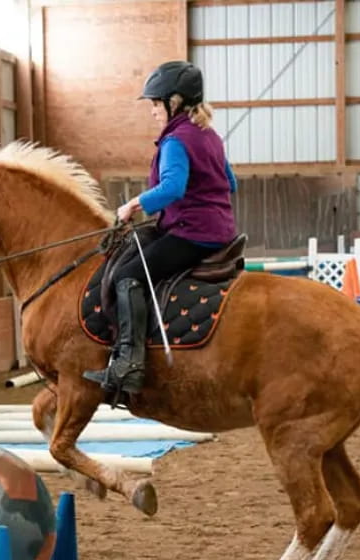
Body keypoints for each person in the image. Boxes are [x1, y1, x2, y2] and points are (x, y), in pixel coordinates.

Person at [84, 60, 239, 398]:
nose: (153, 111)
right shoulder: (209, 135)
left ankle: (128, 364)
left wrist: (132, 205)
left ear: (176, 102)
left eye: (156, 103)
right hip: (219, 230)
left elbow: (172, 188)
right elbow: (231, 183)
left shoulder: (176, 141)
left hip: (192, 232)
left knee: (128, 276)